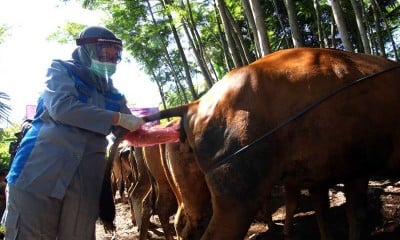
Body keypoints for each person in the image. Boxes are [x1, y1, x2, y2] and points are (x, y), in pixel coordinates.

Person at [1, 26, 145, 240]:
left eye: (117, 55)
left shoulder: (115, 95)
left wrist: (168, 132)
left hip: (84, 184)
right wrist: (115, 118)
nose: (112, 59)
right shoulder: (60, 71)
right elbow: (62, 108)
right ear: (86, 50)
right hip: (38, 174)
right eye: (106, 51)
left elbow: (131, 132)